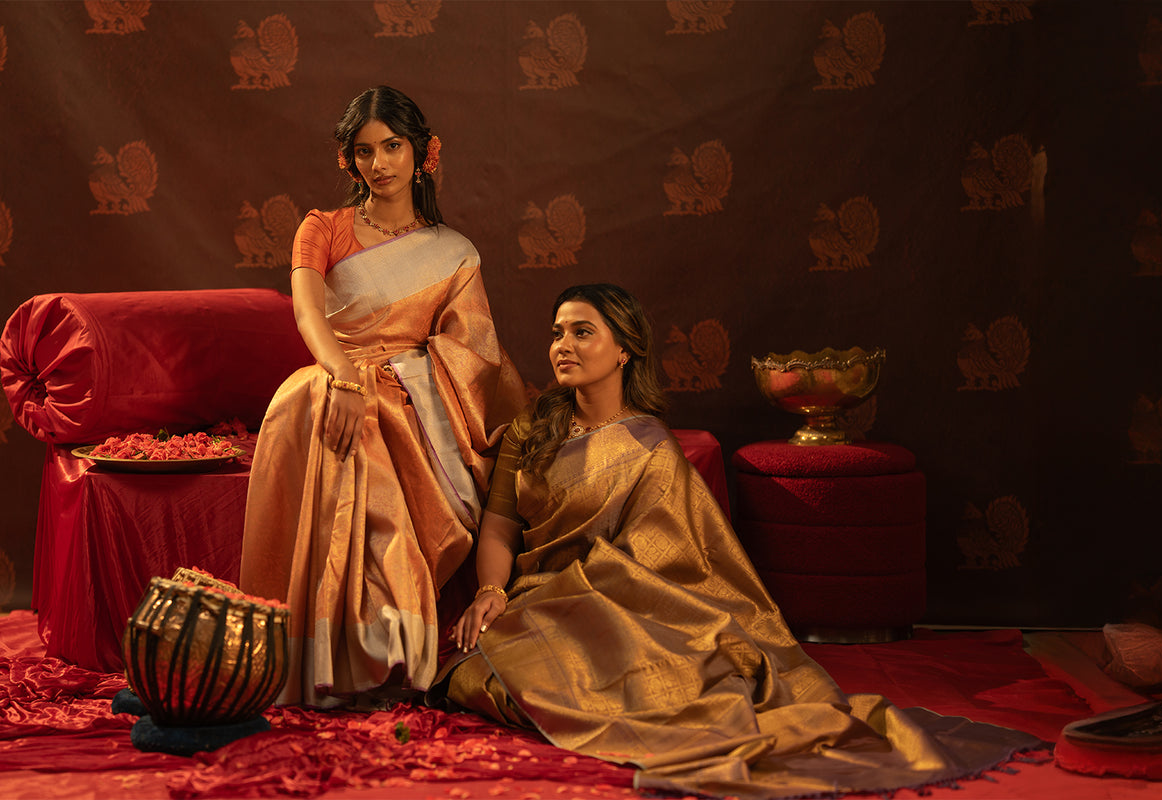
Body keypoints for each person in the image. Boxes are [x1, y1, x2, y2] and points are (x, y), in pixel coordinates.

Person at [441, 284, 1040, 800]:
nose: (562, 346)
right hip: (537, 594)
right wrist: (492, 590)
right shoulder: (533, 426)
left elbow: (671, 560)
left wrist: (597, 589)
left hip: (614, 602)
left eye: (581, 332)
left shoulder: (651, 448)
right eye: (557, 333)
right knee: (478, 674)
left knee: (639, 678)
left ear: (625, 349)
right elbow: (501, 523)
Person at [238, 86, 526, 710]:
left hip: (417, 394)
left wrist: (401, 380)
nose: (380, 164)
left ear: (423, 151)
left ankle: (383, 653)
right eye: (365, 151)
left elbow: (470, 351)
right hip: (331, 375)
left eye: (392, 146)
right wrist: (346, 377)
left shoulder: (454, 253)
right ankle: (328, 656)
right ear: (350, 159)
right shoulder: (323, 228)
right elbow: (308, 315)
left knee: (378, 427)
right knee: (322, 406)